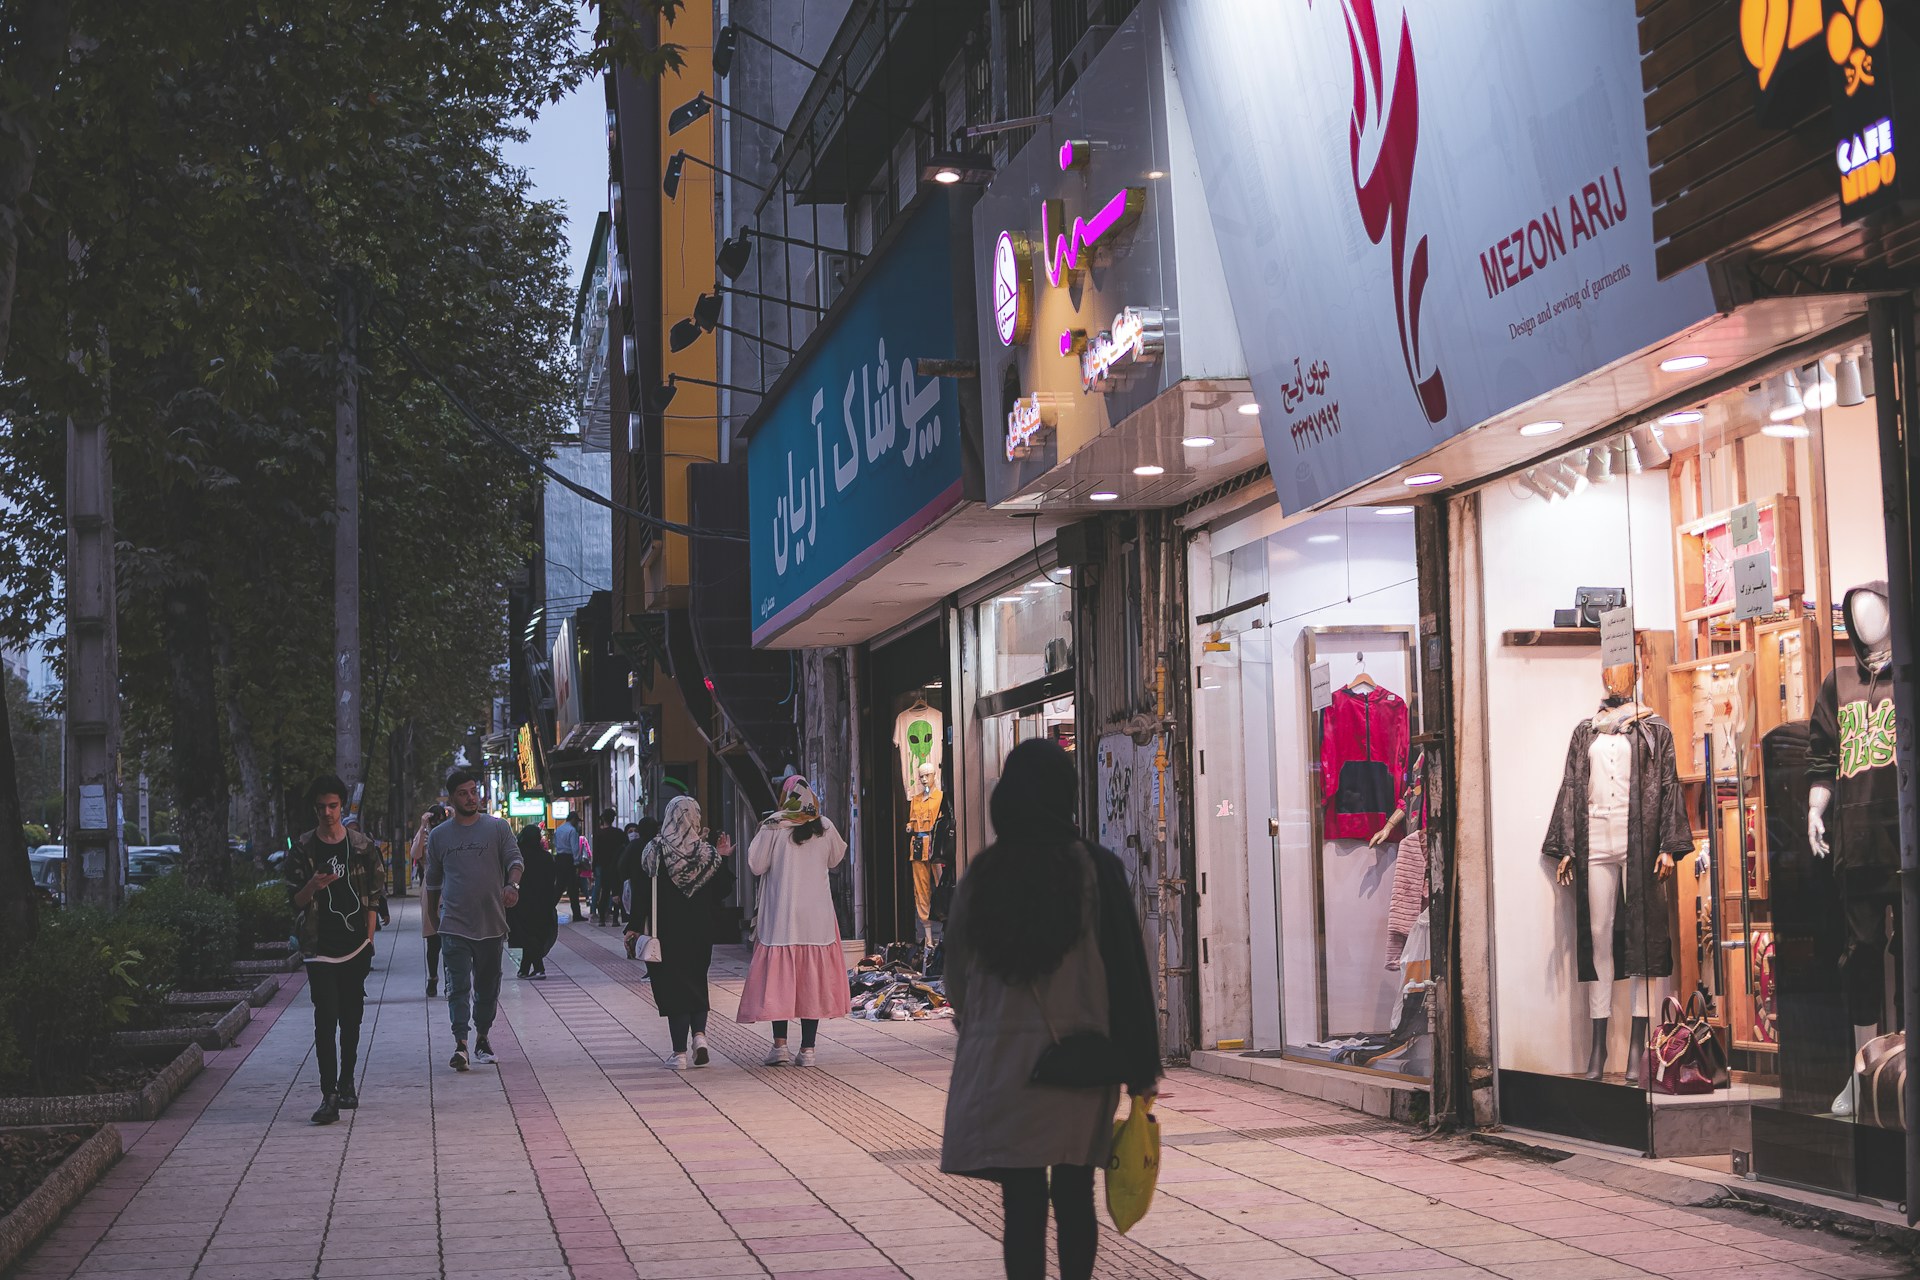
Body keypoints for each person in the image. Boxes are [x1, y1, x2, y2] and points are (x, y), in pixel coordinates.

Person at [938, 739, 1160, 1280]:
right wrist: (1140, 1067)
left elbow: (955, 981)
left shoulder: (981, 876)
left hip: (1004, 1068)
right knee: (1075, 1193)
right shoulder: (1095, 870)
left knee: (1022, 1202)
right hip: (1078, 1062)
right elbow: (1129, 972)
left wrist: (983, 1025)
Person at [284, 775, 388, 1125]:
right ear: (314, 810)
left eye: (333, 806)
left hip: (355, 945)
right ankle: (328, 1094)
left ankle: (347, 1081)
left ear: (342, 807)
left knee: (351, 1018)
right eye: (321, 807)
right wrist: (312, 884)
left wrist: (369, 939)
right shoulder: (303, 849)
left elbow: (375, 896)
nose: (327, 813)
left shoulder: (361, 846)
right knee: (325, 1019)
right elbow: (294, 901)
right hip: (319, 947)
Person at [737, 776, 851, 1065]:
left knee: (780, 982)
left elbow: (756, 864)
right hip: (817, 919)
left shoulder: (773, 825)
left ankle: (780, 1047)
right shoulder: (824, 826)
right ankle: (808, 1050)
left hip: (781, 917)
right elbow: (836, 859)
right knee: (811, 982)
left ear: (785, 796)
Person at [425, 769, 524, 1072]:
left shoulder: (498, 828)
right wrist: (432, 919)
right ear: (452, 798)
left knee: (487, 985)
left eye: (474, 791)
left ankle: (482, 1036)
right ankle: (461, 1044)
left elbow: (515, 860)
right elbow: (432, 882)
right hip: (454, 923)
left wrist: (512, 885)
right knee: (456, 986)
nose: (471, 797)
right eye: (464, 793)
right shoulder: (439, 836)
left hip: (491, 923)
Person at [634, 796, 733, 1068]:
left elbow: (642, 892)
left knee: (673, 988)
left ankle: (678, 1053)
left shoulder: (655, 849)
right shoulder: (707, 853)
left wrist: (633, 927)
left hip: (666, 930)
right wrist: (722, 859)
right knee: (697, 981)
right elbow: (724, 890)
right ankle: (699, 1036)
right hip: (701, 930)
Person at [510, 823, 561, 979]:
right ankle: (525, 968)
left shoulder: (519, 856)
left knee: (527, 934)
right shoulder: (546, 857)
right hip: (543, 901)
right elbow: (553, 880)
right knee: (536, 934)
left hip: (523, 900)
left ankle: (538, 968)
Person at [408, 805, 449, 997]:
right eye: (435, 818)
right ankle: (433, 978)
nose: (438, 821)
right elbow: (415, 855)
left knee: (452, 937)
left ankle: (451, 979)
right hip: (431, 887)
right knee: (433, 939)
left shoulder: (452, 832)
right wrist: (422, 826)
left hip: (452, 885)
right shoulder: (424, 836)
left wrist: (455, 818)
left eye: (442, 817)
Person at [621, 816, 660, 960]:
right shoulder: (660, 845)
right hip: (658, 890)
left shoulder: (635, 845)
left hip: (638, 888)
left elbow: (621, 866)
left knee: (639, 920)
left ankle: (637, 946)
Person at [591, 808, 624, 926]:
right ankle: (615, 919)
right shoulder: (619, 833)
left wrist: (594, 867)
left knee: (604, 892)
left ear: (603, 819)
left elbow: (596, 852)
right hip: (616, 866)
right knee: (616, 892)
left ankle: (601, 919)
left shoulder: (599, 834)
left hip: (603, 866)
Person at [552, 811, 584, 922]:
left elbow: (555, 843)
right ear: (574, 820)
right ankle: (577, 914)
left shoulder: (559, 829)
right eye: (577, 821)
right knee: (573, 888)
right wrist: (577, 862)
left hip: (559, 858)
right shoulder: (572, 831)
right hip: (568, 859)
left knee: (559, 886)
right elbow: (575, 848)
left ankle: (549, 909)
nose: (578, 824)